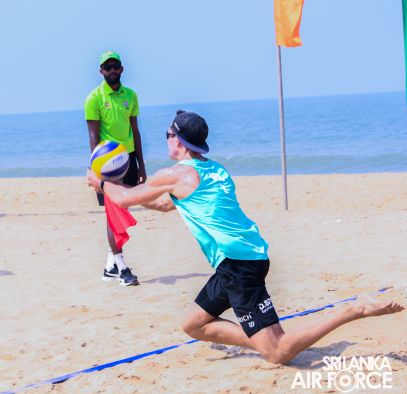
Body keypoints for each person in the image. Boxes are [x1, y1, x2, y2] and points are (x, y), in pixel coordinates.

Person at [87, 110, 404, 364]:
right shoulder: (214, 171)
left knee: (278, 353)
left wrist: (100, 182)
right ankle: (259, 340)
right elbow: (163, 204)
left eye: (167, 135)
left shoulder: (177, 174)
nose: (166, 140)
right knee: (193, 325)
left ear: (179, 141)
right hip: (240, 259)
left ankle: (352, 311)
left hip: (238, 264)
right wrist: (126, 192)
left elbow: (126, 199)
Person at [84, 51, 147, 286]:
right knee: (114, 215)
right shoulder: (94, 98)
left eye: (115, 66)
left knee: (121, 210)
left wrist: (141, 164)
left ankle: (110, 266)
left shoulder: (131, 95)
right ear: (101, 71)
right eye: (107, 67)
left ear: (122, 69)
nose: (112, 70)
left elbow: (135, 132)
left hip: (128, 159)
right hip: (107, 164)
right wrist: (97, 170)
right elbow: (93, 137)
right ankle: (122, 268)